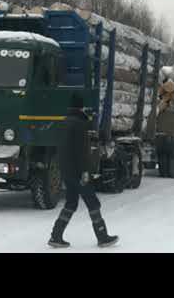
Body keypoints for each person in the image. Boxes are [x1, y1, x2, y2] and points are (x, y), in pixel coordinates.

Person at [48, 93, 119, 248]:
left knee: (71, 203)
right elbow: (82, 151)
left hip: (66, 170)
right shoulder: (80, 124)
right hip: (78, 172)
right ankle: (102, 236)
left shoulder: (64, 122)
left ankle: (56, 235)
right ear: (81, 107)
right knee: (93, 202)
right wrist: (85, 171)